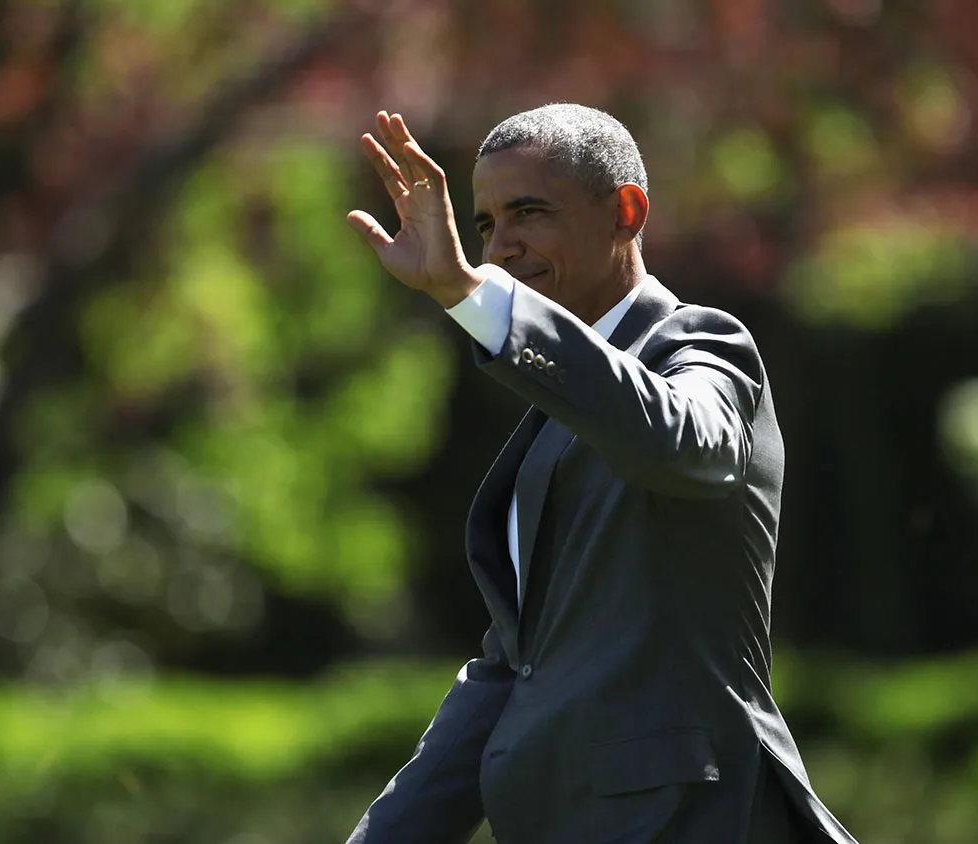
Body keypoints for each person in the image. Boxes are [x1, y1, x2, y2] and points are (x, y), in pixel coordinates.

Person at [343, 104, 857, 844]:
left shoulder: (705, 347)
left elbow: (678, 436)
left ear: (626, 211)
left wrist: (468, 294)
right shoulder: (558, 408)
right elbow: (511, 673)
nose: (501, 248)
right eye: (485, 224)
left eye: (529, 212)